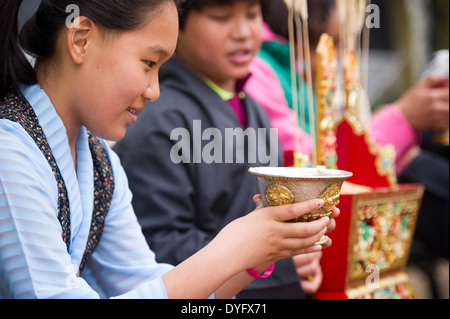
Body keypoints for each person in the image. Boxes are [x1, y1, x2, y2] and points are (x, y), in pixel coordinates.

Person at [0, 0, 338, 299]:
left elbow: (146, 281)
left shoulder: (100, 162)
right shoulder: (10, 151)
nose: (154, 90)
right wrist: (229, 251)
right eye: (148, 63)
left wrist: (256, 253)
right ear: (81, 39)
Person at [114, 0, 333, 299]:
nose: (242, 32)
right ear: (177, 22)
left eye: (252, 15)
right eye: (221, 17)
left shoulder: (254, 109)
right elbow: (159, 246)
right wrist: (278, 259)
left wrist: (296, 250)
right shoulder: (160, 121)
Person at [246, 0, 449, 259]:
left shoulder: (306, 76)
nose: (340, 58)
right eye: (333, 42)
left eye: (344, 43)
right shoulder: (263, 73)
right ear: (300, 35)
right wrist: (402, 119)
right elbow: (320, 168)